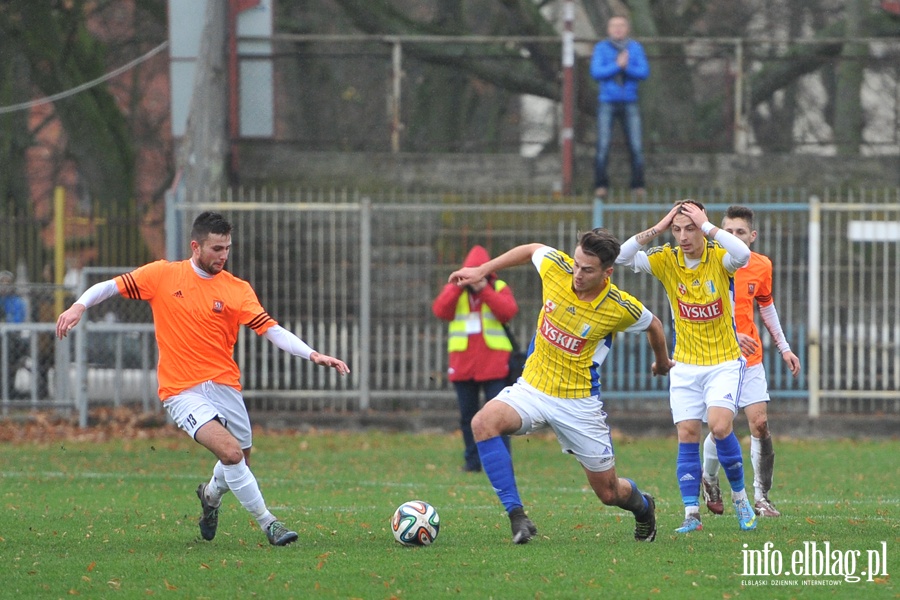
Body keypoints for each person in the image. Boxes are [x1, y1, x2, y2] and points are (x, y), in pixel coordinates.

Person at [56, 211, 350, 546]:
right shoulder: (163, 275)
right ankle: (270, 523)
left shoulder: (237, 289)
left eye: (227, 248)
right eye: (216, 249)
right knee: (231, 454)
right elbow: (109, 286)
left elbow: (272, 330)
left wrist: (312, 354)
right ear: (196, 246)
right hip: (181, 389)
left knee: (242, 458)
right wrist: (78, 305)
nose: (223, 256)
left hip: (225, 385)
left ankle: (210, 497)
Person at [448, 229, 673, 544]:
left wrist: (662, 363)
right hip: (533, 388)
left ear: (607, 273)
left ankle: (644, 506)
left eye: (587, 269)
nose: (577, 274)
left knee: (609, 493)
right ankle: (518, 517)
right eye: (577, 264)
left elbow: (654, 325)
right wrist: (481, 271)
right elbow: (530, 247)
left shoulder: (618, 306)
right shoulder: (557, 267)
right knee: (483, 423)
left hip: (578, 403)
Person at [616, 200, 757, 533]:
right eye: (677, 229)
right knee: (687, 434)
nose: (683, 236)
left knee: (720, 427)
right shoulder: (667, 259)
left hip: (723, 362)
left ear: (702, 228)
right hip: (685, 365)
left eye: (689, 228)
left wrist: (708, 226)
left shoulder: (718, 257)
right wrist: (659, 226)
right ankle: (691, 514)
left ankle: (740, 498)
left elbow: (743, 255)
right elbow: (620, 257)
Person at [701, 205, 801, 518]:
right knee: (722, 427)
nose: (734, 237)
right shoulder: (707, 263)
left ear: (752, 236)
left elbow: (766, 306)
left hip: (751, 357)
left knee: (759, 424)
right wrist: (731, 334)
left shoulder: (760, 266)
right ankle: (709, 478)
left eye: (740, 232)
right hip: (718, 356)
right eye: (728, 231)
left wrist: (784, 347)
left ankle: (762, 497)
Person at [432, 245, 518, 473]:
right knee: (467, 418)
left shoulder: (498, 287)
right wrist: (458, 287)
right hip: (463, 366)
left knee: (499, 418)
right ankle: (472, 463)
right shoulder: (455, 290)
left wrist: (484, 289)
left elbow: (507, 312)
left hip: (494, 365)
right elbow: (441, 310)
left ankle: (501, 463)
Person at [590, 15, 649, 199]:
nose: (617, 29)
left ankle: (638, 185)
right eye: (614, 26)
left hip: (630, 100)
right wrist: (617, 66)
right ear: (608, 29)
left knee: (636, 145)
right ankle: (600, 185)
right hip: (607, 101)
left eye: (621, 25)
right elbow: (596, 72)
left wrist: (626, 67)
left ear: (627, 28)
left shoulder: (635, 48)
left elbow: (643, 72)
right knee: (603, 145)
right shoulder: (601, 48)